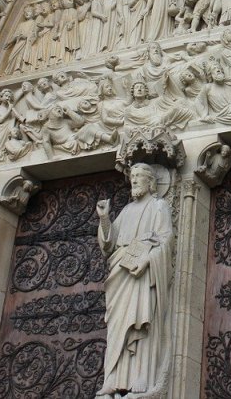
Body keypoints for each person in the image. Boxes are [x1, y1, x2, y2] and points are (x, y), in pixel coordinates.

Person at [95, 164, 173, 399]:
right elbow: (109, 245)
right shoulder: (127, 210)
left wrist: (148, 261)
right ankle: (112, 380)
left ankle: (141, 379)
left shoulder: (159, 206)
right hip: (121, 271)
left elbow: (166, 239)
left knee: (139, 323)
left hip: (142, 273)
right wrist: (105, 219)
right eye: (133, 177)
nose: (135, 180)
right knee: (118, 325)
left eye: (140, 177)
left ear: (151, 182)